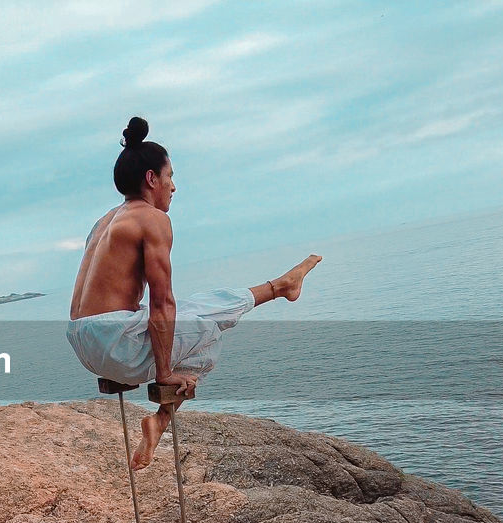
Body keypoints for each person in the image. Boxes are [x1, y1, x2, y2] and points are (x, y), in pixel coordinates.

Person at [67, 116, 323, 470]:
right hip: (114, 343)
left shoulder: (105, 221)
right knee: (209, 335)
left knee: (201, 306)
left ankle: (280, 287)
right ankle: (159, 421)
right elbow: (162, 303)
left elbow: (124, 296)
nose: (174, 187)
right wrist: (164, 375)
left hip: (85, 341)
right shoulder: (152, 220)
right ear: (151, 178)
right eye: (170, 176)